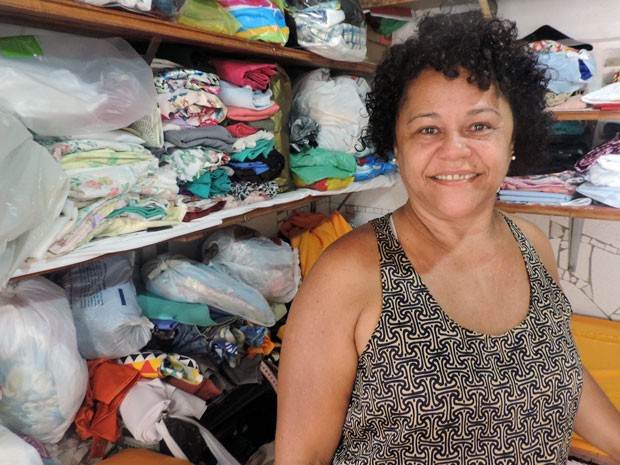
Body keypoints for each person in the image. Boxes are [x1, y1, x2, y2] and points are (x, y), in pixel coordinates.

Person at [274, 11, 620, 465]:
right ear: (396, 146)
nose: (454, 150)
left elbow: (561, 370)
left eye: (480, 126)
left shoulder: (532, 246)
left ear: (513, 137)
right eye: (428, 129)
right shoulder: (347, 276)